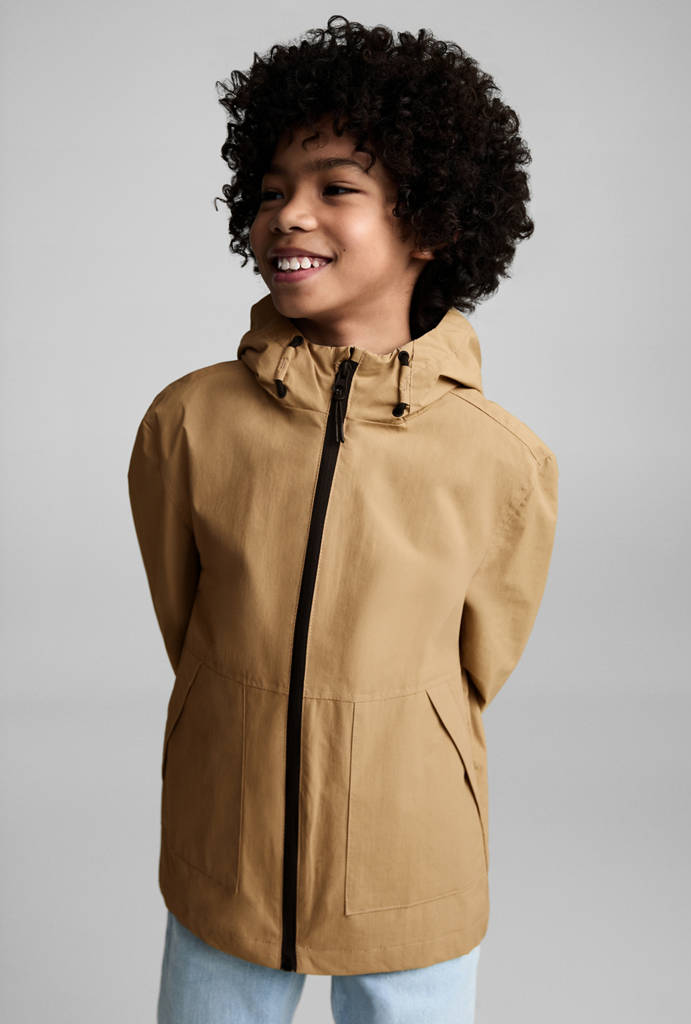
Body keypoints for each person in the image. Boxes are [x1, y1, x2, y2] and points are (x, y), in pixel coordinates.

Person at [127, 14, 559, 1024]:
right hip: (228, 834)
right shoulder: (188, 423)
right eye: (271, 189)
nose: (289, 215)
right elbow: (188, 617)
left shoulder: (501, 460)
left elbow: (477, 662)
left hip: (410, 846)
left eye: (335, 188)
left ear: (429, 223)